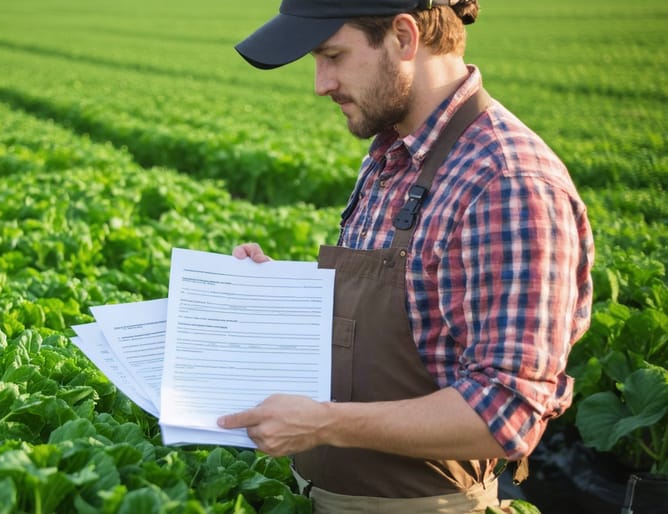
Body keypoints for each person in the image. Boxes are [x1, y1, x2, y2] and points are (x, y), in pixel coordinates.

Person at [216, 0, 595, 512]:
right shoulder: (392, 154)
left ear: (403, 37)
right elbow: (416, 305)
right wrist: (281, 292)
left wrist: (323, 423)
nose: (320, 83)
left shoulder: (508, 182)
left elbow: (506, 413)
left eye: (333, 56)